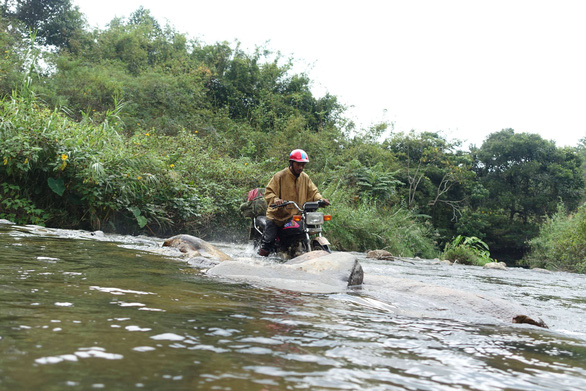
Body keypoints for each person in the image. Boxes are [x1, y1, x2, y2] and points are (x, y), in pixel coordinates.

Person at [258, 149, 330, 256]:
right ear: (291, 163)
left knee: (300, 230)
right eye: (298, 164)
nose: (301, 167)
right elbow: (269, 192)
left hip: (294, 216)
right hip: (277, 217)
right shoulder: (280, 176)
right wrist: (276, 200)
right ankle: (259, 260)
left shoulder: (305, 177)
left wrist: (321, 199)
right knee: (269, 240)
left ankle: (296, 248)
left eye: (303, 165)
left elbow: (314, 192)